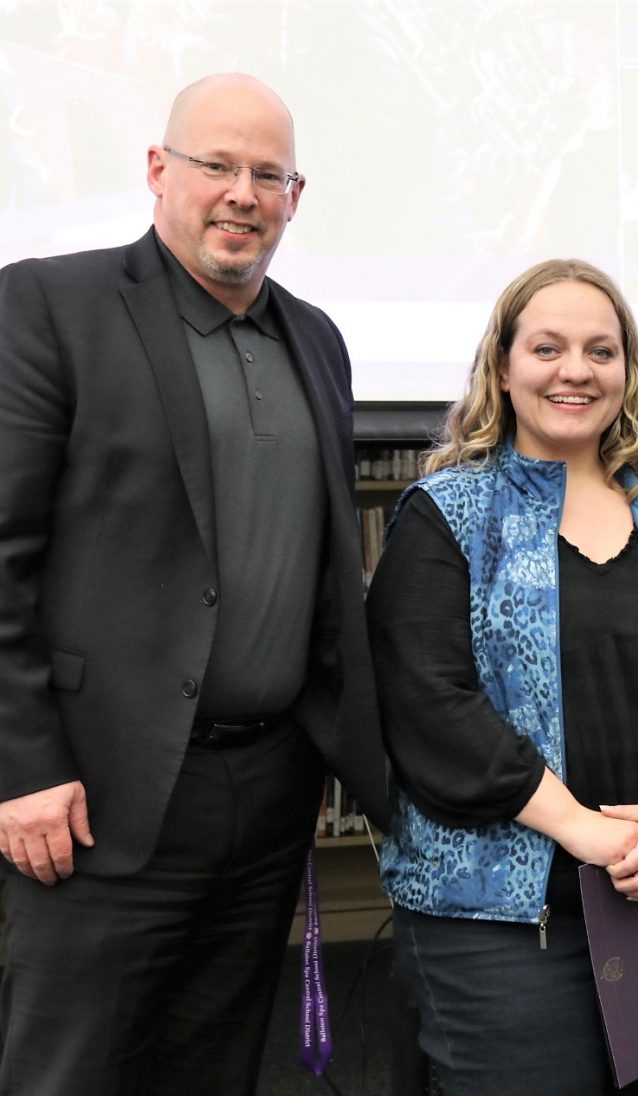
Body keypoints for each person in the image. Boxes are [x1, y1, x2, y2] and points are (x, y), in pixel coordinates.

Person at [0, 74, 388, 1095]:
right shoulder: (50, 304)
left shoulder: (318, 340)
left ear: (295, 197)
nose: (242, 194)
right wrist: (21, 767)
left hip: (265, 796)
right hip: (91, 799)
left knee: (216, 1071)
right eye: (217, 164)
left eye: (269, 174)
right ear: (157, 170)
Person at [368, 258, 638, 1096]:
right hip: (500, 920)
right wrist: (582, 830)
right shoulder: (447, 515)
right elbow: (430, 704)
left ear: (627, 372)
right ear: (503, 368)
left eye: (601, 351)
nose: (575, 371)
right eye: (547, 348)